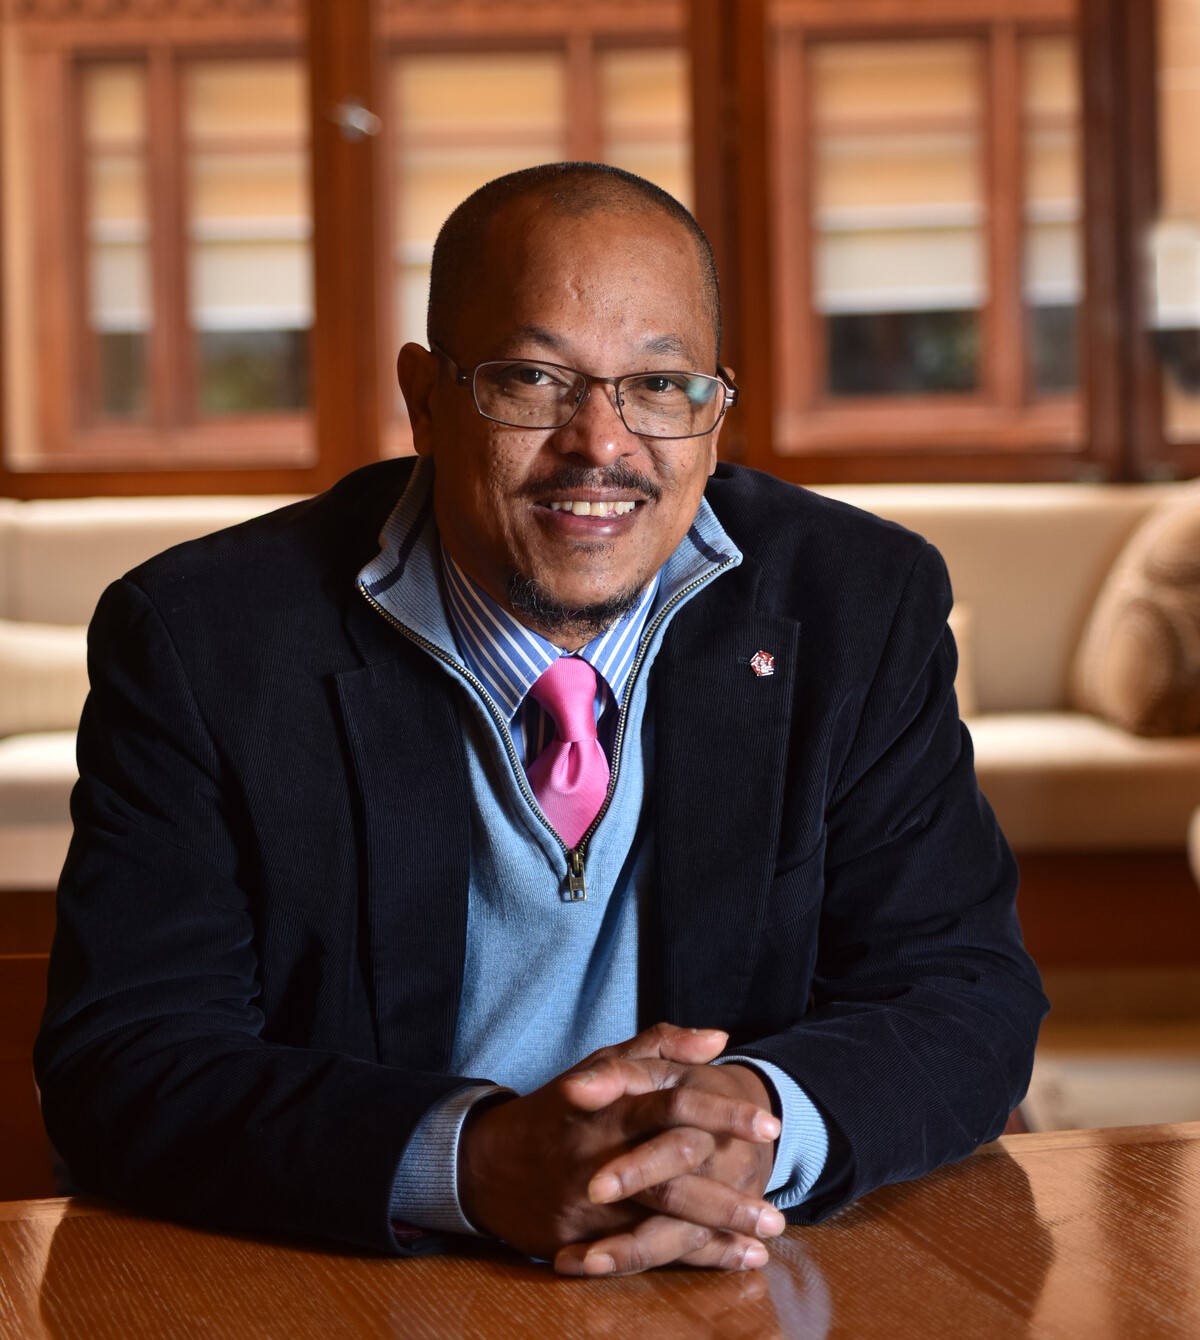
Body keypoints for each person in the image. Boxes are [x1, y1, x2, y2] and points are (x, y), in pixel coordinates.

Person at [35, 162, 1047, 1277]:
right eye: (533, 379)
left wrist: (753, 1120)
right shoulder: (203, 639)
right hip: (359, 1278)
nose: (601, 443)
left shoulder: (859, 601)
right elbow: (125, 1057)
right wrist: (472, 1159)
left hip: (739, 1267)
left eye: (660, 386)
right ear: (426, 399)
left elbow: (964, 990)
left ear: (716, 414)